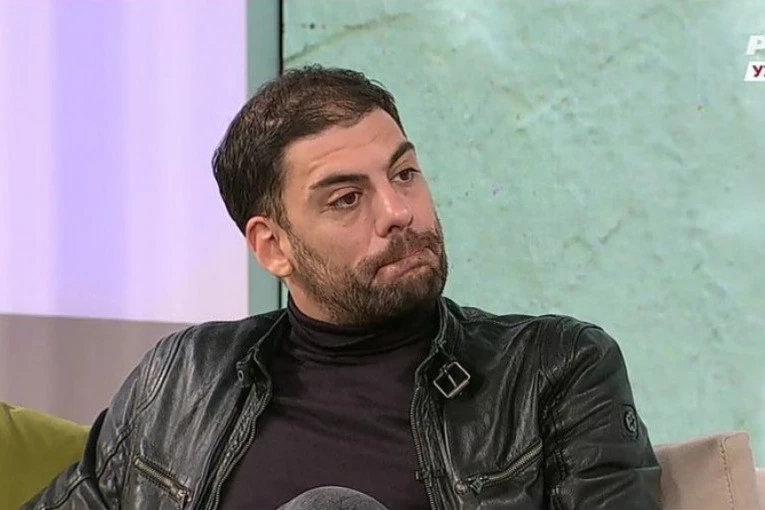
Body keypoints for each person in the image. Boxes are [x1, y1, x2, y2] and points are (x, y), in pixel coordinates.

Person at [23, 65, 661, 509]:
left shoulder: (553, 368)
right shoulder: (183, 377)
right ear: (272, 247)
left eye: (404, 174)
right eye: (347, 198)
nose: (399, 212)